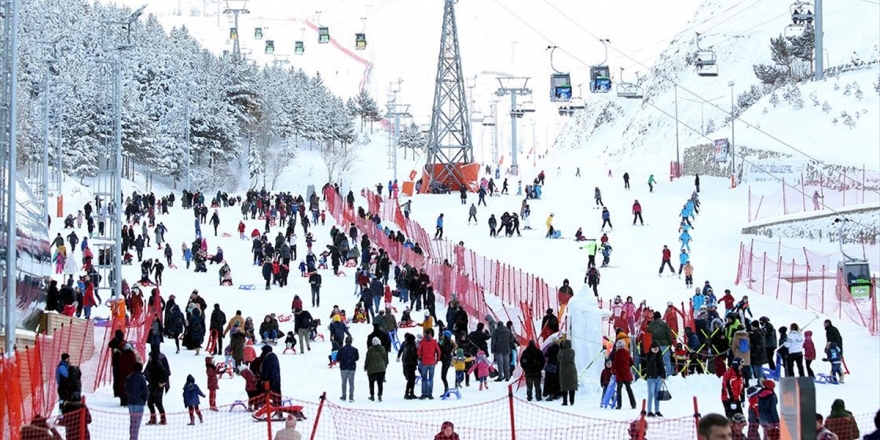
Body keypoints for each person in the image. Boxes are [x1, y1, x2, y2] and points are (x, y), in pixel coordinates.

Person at [124, 362, 149, 440]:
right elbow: (146, 390)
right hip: (139, 403)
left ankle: (132, 437)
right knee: (136, 423)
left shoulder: (129, 377)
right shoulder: (141, 378)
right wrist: (144, 399)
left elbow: (125, 388)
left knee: (132, 422)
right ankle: (134, 438)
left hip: (131, 402)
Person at [417, 328, 441, 399]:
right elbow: (439, 351)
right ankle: (430, 394)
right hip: (432, 362)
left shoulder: (422, 342)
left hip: (424, 362)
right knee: (431, 378)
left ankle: (424, 393)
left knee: (424, 378)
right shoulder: (434, 341)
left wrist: (420, 356)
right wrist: (437, 360)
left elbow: (418, 352)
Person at [644, 342, 667, 417]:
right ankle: (649, 411)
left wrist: (663, 376)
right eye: (654, 348)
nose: (656, 349)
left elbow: (662, 366)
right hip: (651, 377)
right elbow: (649, 363)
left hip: (659, 377)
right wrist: (653, 354)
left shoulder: (660, 355)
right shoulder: (649, 355)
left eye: (657, 348)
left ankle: (657, 410)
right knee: (651, 394)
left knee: (657, 395)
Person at [612, 340, 636, 410]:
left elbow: (615, 364)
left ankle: (619, 405)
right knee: (629, 389)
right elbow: (632, 362)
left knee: (619, 390)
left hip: (619, 373)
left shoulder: (617, 353)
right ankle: (633, 403)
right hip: (626, 373)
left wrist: (614, 371)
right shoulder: (626, 353)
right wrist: (627, 367)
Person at [365, 336, 388, 401]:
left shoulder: (370, 349)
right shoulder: (382, 348)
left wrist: (366, 366)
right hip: (381, 369)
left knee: (371, 383)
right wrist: (385, 365)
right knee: (380, 383)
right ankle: (379, 395)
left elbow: (367, 358)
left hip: (372, 369)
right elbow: (385, 358)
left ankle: (372, 395)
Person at [337, 336, 359, 402]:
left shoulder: (341, 349)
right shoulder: (355, 350)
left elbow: (337, 358)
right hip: (351, 367)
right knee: (351, 383)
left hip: (343, 367)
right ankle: (351, 397)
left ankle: (344, 395)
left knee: (344, 382)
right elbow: (357, 358)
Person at [557, 340, 577, 406]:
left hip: (563, 370)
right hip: (572, 370)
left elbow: (558, 358)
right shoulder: (572, 351)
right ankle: (572, 401)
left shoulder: (561, 352)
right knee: (572, 386)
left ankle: (565, 401)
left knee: (564, 386)